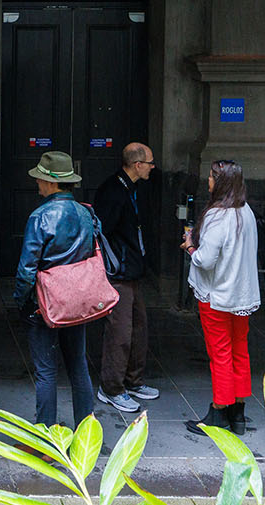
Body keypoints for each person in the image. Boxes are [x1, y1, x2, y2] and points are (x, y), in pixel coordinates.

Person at [14, 150, 100, 429]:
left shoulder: (39, 216)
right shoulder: (86, 212)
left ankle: (46, 440)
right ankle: (87, 435)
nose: (37, 183)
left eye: (40, 178)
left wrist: (21, 302)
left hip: (44, 304)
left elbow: (27, 269)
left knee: (46, 372)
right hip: (78, 301)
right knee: (78, 367)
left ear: (51, 183)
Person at [183, 159, 259, 433]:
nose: (209, 182)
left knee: (220, 354)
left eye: (212, 178)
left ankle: (218, 411)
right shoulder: (246, 212)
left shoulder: (218, 216)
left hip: (216, 296)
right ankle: (237, 412)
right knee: (240, 351)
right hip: (242, 295)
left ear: (222, 183)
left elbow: (205, 260)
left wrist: (191, 246)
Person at [92, 142, 158, 414]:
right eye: (150, 163)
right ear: (138, 164)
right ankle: (112, 388)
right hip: (119, 272)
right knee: (120, 332)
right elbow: (103, 232)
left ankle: (132, 381)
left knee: (138, 328)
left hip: (130, 269)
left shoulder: (129, 188)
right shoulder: (114, 192)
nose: (154, 167)